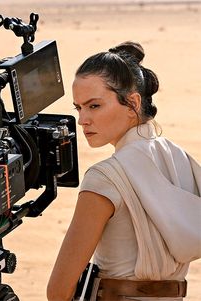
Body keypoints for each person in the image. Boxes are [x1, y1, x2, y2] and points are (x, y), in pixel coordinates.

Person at [46, 41, 201, 301]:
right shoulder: (180, 157)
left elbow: (58, 291)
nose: (83, 120)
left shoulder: (105, 178)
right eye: (78, 108)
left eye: (94, 106)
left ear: (132, 103)